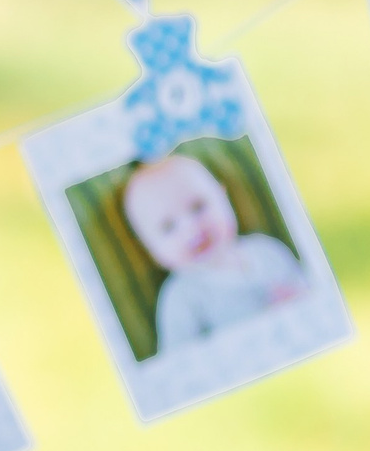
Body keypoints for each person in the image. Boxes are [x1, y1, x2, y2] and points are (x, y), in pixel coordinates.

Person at [119, 150, 306, 353]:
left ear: (223, 197)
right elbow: (181, 365)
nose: (192, 228)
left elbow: (314, 293)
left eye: (198, 207)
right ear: (150, 249)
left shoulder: (268, 250)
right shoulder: (180, 299)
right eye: (168, 227)